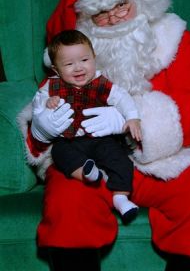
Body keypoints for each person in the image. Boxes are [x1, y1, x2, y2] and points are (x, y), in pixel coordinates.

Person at [20, 0, 190, 271]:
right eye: (100, 13)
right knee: (67, 203)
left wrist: (137, 126)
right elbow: (46, 102)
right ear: (86, 19)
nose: (113, 18)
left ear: (140, 0)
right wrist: (42, 129)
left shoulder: (175, 38)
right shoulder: (77, 54)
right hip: (90, 159)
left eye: (122, 5)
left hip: (167, 156)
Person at [33, 29, 141, 224]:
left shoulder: (101, 83)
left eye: (84, 60)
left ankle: (121, 198)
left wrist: (132, 118)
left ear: (94, 58)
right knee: (60, 153)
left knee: (120, 160)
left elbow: (122, 97)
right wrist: (47, 105)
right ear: (56, 70)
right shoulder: (51, 87)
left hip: (100, 138)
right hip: (70, 140)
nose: (78, 68)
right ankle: (86, 174)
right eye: (68, 64)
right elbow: (38, 106)